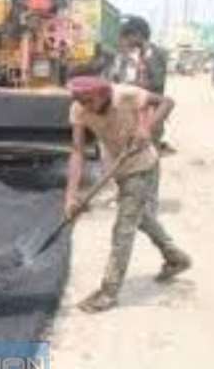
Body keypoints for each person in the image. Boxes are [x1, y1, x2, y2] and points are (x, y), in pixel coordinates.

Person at [64, 76, 192, 313]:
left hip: (143, 164)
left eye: (87, 100)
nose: (83, 105)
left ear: (102, 95)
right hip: (119, 167)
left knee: (124, 227)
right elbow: (77, 151)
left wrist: (147, 128)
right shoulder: (79, 110)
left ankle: (108, 292)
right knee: (140, 217)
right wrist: (71, 196)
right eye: (78, 100)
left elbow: (166, 101)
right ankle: (176, 257)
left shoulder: (124, 95)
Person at [110, 16, 172, 151]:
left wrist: (127, 86)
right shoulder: (132, 54)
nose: (126, 41)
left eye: (128, 36)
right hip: (131, 114)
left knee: (148, 156)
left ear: (138, 35)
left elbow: (156, 82)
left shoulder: (156, 54)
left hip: (151, 114)